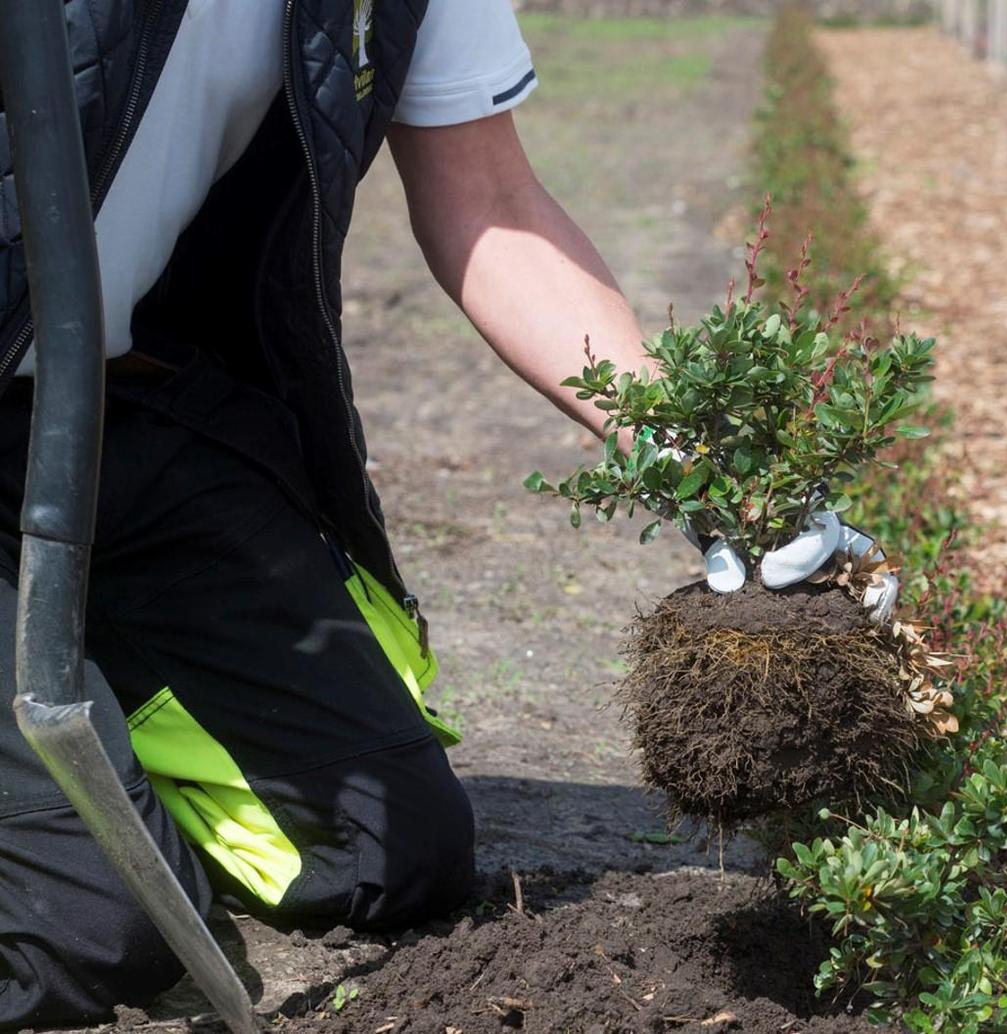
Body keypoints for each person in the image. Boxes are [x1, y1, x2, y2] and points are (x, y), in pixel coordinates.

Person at [0, 1, 893, 1026]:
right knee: (82, 926)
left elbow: (492, 199)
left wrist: (706, 458)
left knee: (383, 854)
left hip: (93, 413)